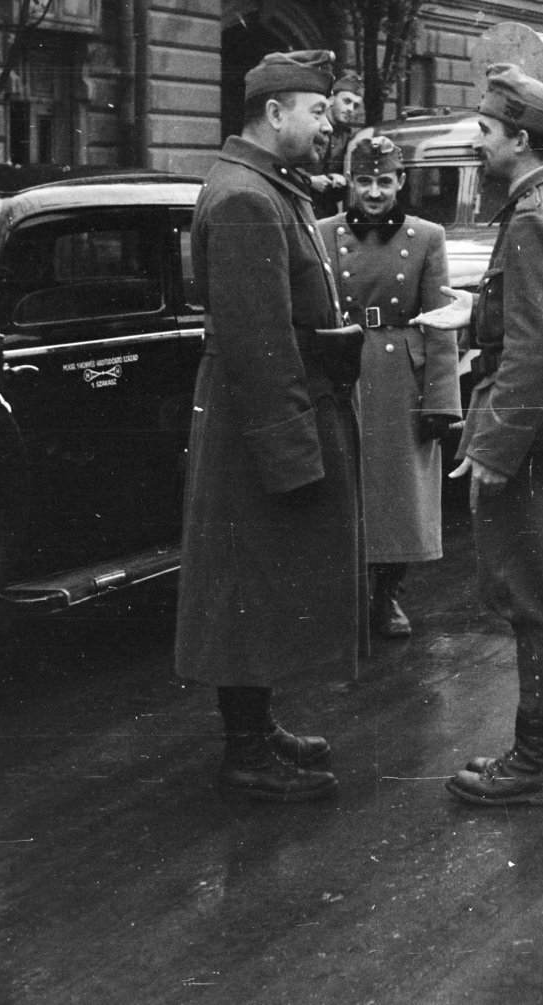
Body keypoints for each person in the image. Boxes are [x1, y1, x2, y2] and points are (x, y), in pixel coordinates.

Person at [175, 49, 368, 804]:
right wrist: (294, 453)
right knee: (245, 584)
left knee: (254, 579)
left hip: (260, 415)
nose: (329, 124)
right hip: (257, 422)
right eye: (318, 111)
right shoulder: (247, 200)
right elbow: (260, 346)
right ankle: (245, 750)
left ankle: (256, 724)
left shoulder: (266, 186)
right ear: (275, 112)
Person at [437, 64, 543, 807]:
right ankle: (540, 751)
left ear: (518, 138)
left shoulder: (536, 217)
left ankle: (538, 759)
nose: (476, 142)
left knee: (536, 596)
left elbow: (537, 348)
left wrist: (491, 448)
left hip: (536, 431)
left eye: (484, 129)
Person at [317, 136, 462, 638]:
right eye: (364, 181)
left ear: (400, 182)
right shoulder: (323, 233)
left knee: (401, 495)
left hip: (402, 374)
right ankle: (349, 593)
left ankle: (388, 596)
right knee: (348, 486)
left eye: (384, 181)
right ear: (350, 184)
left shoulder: (426, 237)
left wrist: (442, 400)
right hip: (346, 370)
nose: (374, 192)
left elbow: (441, 322)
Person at [309, 71, 365, 218]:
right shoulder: (311, 126)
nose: (350, 109)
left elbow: (350, 174)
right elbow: (284, 163)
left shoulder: (347, 138)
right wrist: (310, 181)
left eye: (356, 105)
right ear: (332, 99)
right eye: (346, 101)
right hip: (299, 205)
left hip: (326, 213)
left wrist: (340, 179)